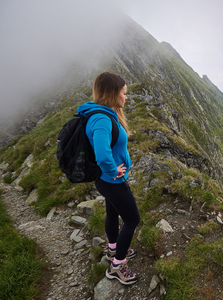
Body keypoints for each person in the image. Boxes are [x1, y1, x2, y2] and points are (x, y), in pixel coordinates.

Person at [77, 71, 140, 285]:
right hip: (111, 181)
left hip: (104, 180)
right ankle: (117, 266)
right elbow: (102, 154)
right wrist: (114, 172)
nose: (126, 97)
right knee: (132, 219)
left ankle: (113, 249)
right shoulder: (102, 119)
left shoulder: (103, 114)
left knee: (112, 212)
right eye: (124, 93)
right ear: (113, 94)